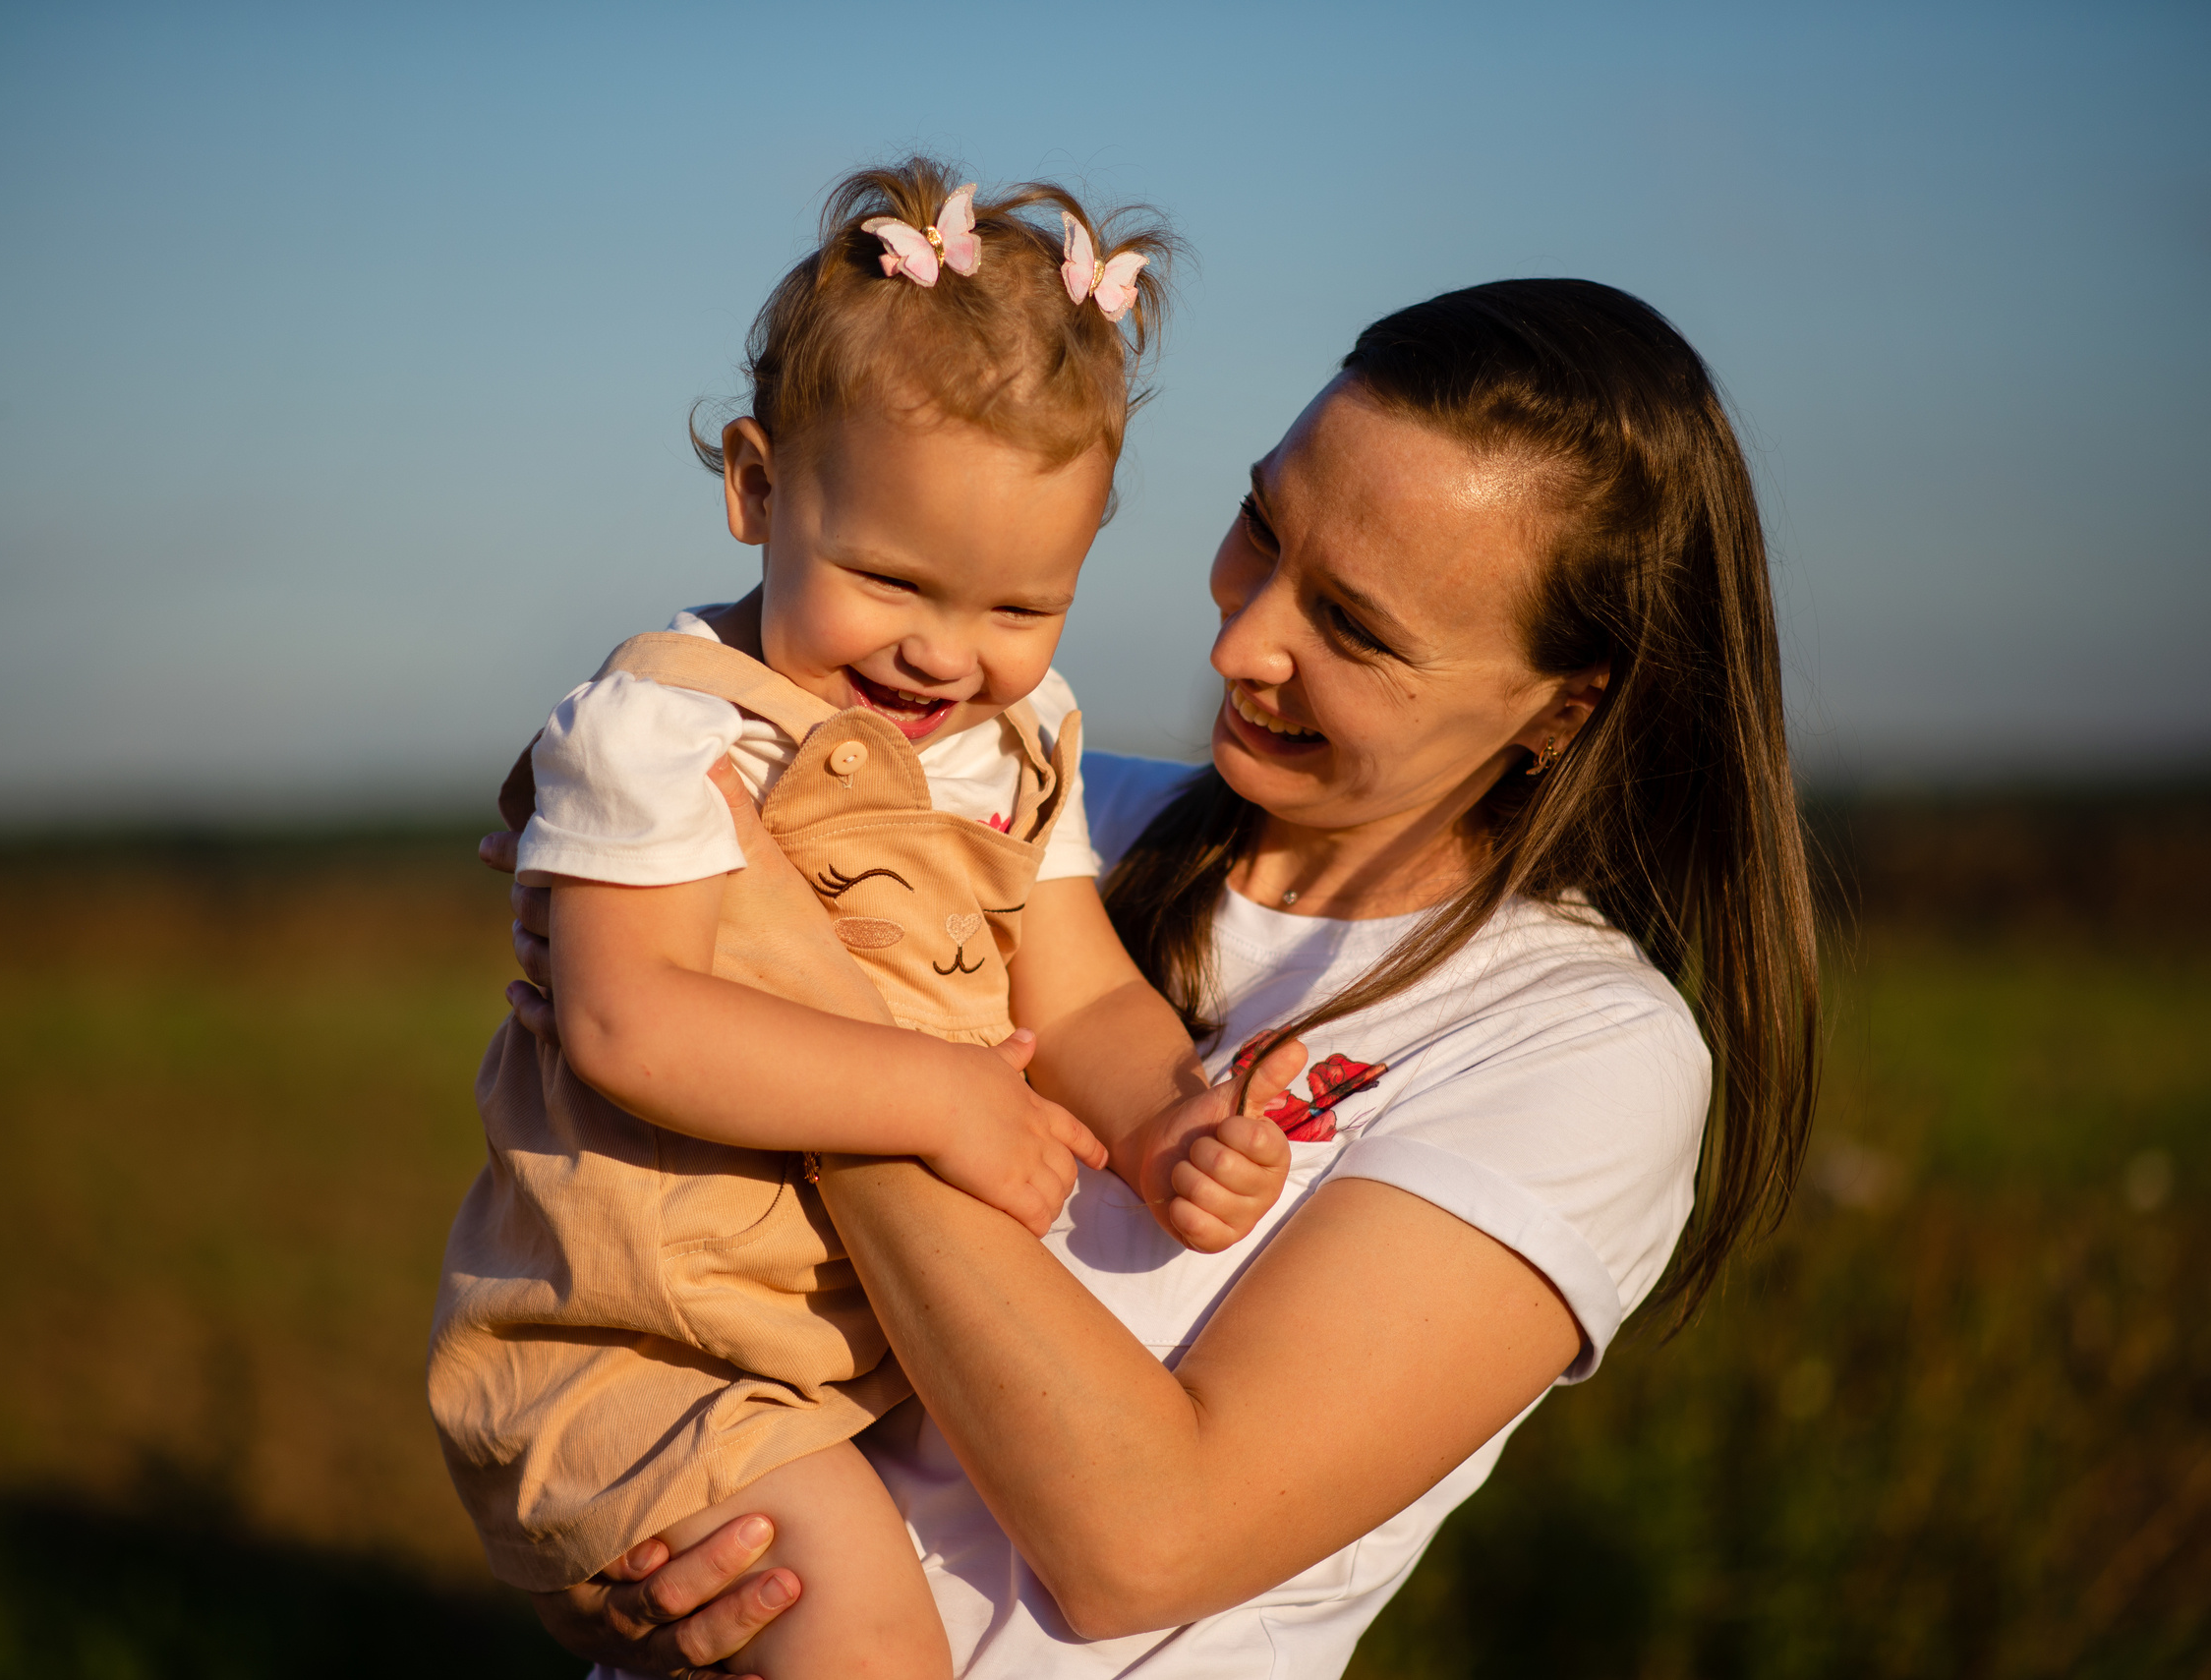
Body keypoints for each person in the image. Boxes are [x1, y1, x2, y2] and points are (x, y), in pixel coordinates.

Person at [487, 277, 1821, 1679]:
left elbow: (1145, 1543)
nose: (1240, 641)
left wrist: (826, 1038)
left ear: (1564, 702)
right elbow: (615, 1192)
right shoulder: (1002, 802)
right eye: (1262, 526)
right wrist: (623, 1546)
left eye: (1356, 629)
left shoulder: (1576, 1046)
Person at [429, 158, 1308, 1680]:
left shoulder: (1017, 748)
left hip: (840, 1353)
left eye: (1020, 610)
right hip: (644, 1343)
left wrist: (1174, 1120)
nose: (942, 654)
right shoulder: (660, 729)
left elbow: (1081, 990)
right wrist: (938, 1094)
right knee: (856, 1624)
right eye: (890, 577)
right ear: (758, 489)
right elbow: (629, 1018)